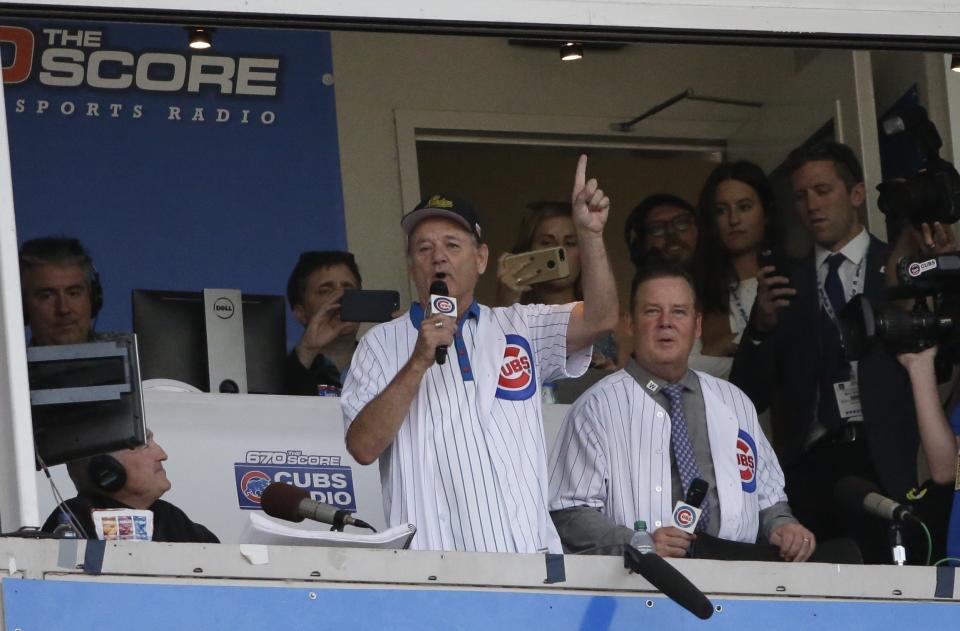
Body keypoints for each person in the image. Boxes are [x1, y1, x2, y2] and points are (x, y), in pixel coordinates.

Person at [341, 155, 619, 552]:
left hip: (529, 564)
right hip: (433, 571)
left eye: (452, 245)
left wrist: (589, 235)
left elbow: (602, 317)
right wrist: (419, 359)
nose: (438, 257)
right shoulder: (380, 343)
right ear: (411, 265)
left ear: (482, 259)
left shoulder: (520, 326)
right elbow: (363, 447)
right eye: (424, 248)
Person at [730, 140, 919, 563]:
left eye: (823, 190)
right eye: (801, 196)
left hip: (887, 455)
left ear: (855, 194)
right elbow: (746, 396)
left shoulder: (900, 267)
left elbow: (939, 362)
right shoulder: (784, 284)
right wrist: (758, 329)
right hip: (810, 465)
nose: (811, 204)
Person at [548, 263, 815, 561]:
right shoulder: (597, 405)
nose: (666, 322)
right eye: (652, 311)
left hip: (737, 575)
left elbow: (768, 497)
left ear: (697, 326)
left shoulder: (735, 401)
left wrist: (783, 525)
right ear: (630, 324)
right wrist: (638, 543)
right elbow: (568, 514)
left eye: (679, 311)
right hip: (642, 580)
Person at [497, 201, 617, 369]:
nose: (559, 252)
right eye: (546, 243)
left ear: (584, 254)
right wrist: (506, 302)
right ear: (528, 250)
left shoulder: (597, 322)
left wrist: (605, 375)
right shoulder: (512, 312)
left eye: (570, 243)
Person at [688, 161, 780, 381]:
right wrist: (712, 351)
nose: (734, 220)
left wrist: (735, 348)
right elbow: (677, 369)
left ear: (765, 213)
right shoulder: (696, 288)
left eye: (744, 207)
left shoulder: (790, 277)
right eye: (721, 210)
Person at [42, 430, 219, 543]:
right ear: (106, 469)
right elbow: (62, 576)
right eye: (144, 446)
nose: (162, 455)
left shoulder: (173, 519)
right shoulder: (70, 520)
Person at [285, 251, 362, 395]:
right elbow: (273, 411)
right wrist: (307, 350)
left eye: (348, 289)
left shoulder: (385, 362)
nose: (341, 297)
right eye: (326, 291)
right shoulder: (276, 374)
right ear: (301, 313)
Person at [19, 236, 108, 346]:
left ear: (93, 299)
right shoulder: (8, 363)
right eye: (47, 296)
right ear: (23, 307)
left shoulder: (131, 357)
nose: (63, 309)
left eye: (73, 293)